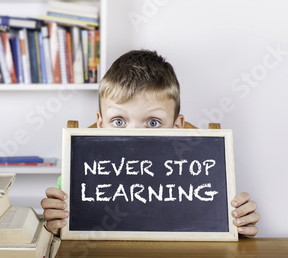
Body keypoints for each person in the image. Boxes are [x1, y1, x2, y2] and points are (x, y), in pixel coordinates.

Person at [41, 49, 260, 237]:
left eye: (153, 122)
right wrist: (56, 224)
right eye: (118, 121)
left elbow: (211, 223)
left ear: (177, 125)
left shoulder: (197, 174)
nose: (134, 136)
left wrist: (237, 223)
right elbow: (62, 234)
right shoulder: (80, 175)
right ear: (100, 123)